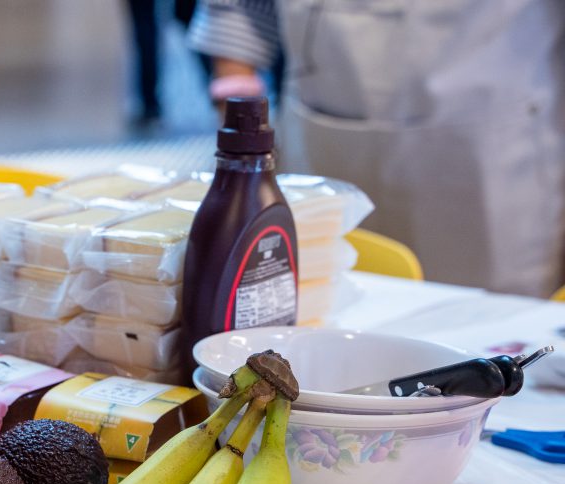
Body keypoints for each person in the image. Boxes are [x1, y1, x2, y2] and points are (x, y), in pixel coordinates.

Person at [187, 0, 565, 298]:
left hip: (497, 145)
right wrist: (233, 95)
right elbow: (238, 10)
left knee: (497, 345)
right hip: (322, 136)